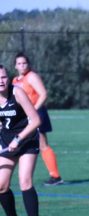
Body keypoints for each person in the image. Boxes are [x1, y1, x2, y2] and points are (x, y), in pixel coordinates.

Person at [0, 64, 42, 216]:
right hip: (7, 143)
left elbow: (35, 120)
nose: (0, 81)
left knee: (25, 181)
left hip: (27, 140)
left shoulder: (17, 92)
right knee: (1, 186)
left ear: (8, 78)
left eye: (3, 77)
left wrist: (18, 139)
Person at [13, 52, 64, 186]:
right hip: (24, 116)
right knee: (21, 143)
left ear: (28, 64)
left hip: (36, 113)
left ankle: (56, 176)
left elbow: (43, 94)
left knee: (42, 144)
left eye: (24, 63)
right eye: (19, 63)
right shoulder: (15, 80)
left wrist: (33, 110)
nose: (22, 66)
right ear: (15, 66)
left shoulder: (32, 77)